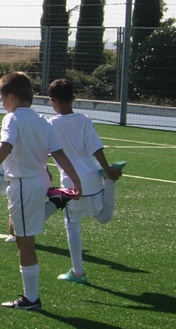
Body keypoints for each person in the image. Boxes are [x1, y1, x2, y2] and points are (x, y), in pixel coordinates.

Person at [0, 72, 82, 310]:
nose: (2, 104)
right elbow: (58, 153)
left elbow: (6, 145)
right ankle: (55, 200)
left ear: (12, 97)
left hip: (23, 184)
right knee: (21, 234)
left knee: (24, 242)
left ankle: (31, 299)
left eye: (2, 98)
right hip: (39, 181)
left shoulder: (12, 119)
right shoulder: (42, 120)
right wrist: (76, 181)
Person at [45, 78, 124, 283]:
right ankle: (110, 183)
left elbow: (44, 152)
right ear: (74, 98)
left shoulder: (51, 124)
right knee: (102, 217)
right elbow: (96, 147)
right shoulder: (86, 120)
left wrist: (44, 171)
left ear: (52, 100)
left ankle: (78, 272)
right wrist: (107, 169)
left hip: (72, 184)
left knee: (72, 225)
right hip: (93, 178)